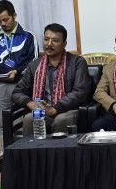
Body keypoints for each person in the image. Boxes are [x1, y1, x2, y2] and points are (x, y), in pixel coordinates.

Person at [9, 24, 91, 161]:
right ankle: (33, 161)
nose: (49, 44)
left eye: (55, 40)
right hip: (42, 111)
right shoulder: (35, 65)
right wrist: (30, 104)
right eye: (46, 39)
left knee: (61, 119)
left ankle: (63, 161)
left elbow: (80, 91)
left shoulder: (77, 62)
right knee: (30, 118)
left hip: (68, 109)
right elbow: (17, 92)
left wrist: (56, 108)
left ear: (64, 44)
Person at [0, 0, 39, 172]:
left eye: (6, 19)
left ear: (14, 15)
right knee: (3, 124)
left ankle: (28, 157)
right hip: (0, 85)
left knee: (27, 120)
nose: (3, 23)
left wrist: (18, 70)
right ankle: (5, 158)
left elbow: (34, 60)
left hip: (22, 85)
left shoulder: (28, 36)